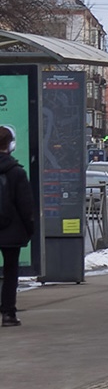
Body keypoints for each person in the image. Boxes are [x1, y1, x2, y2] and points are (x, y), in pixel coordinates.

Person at [0, 125, 36, 328]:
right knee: (11, 271)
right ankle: (8, 314)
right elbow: (26, 205)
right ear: (11, 146)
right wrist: (28, 229)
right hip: (11, 231)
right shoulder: (16, 172)